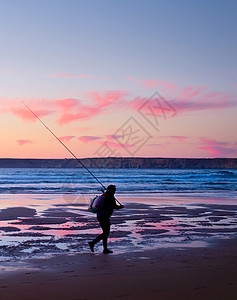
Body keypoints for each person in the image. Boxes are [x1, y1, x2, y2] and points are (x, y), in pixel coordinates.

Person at [88, 185, 124, 254]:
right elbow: (113, 206)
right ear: (111, 190)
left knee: (105, 232)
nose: (115, 191)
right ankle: (92, 243)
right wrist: (120, 207)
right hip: (104, 216)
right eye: (114, 190)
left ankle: (105, 249)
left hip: (100, 216)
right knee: (106, 232)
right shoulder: (109, 197)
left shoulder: (104, 195)